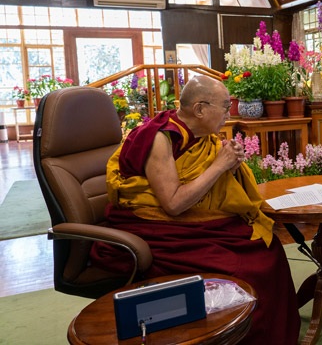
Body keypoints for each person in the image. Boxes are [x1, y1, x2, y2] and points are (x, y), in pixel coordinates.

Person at [90, 76, 301, 344]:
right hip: (157, 229)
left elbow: (203, 182)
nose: (229, 113)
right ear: (200, 109)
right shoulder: (160, 139)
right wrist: (218, 166)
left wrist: (230, 164)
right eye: (225, 106)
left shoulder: (198, 135)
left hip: (190, 223)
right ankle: (243, 337)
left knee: (265, 245)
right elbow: (174, 204)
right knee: (248, 268)